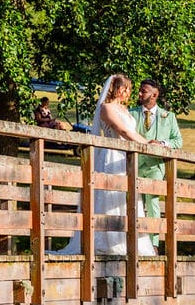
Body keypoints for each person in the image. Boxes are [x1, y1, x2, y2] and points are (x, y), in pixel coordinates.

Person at [50, 74, 156, 256]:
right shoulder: (106, 108)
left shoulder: (125, 110)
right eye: (126, 89)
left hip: (124, 158)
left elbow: (130, 130)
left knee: (125, 198)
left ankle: (127, 240)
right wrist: (146, 144)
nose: (129, 93)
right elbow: (122, 130)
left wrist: (147, 143)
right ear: (118, 89)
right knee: (109, 196)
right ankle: (107, 241)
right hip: (111, 154)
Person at [131, 79, 182, 248]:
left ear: (155, 94)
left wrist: (162, 144)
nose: (139, 94)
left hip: (155, 166)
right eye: (139, 90)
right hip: (134, 163)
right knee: (131, 200)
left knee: (152, 202)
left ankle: (153, 244)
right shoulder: (131, 113)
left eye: (143, 91)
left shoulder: (169, 116)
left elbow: (178, 141)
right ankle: (132, 239)